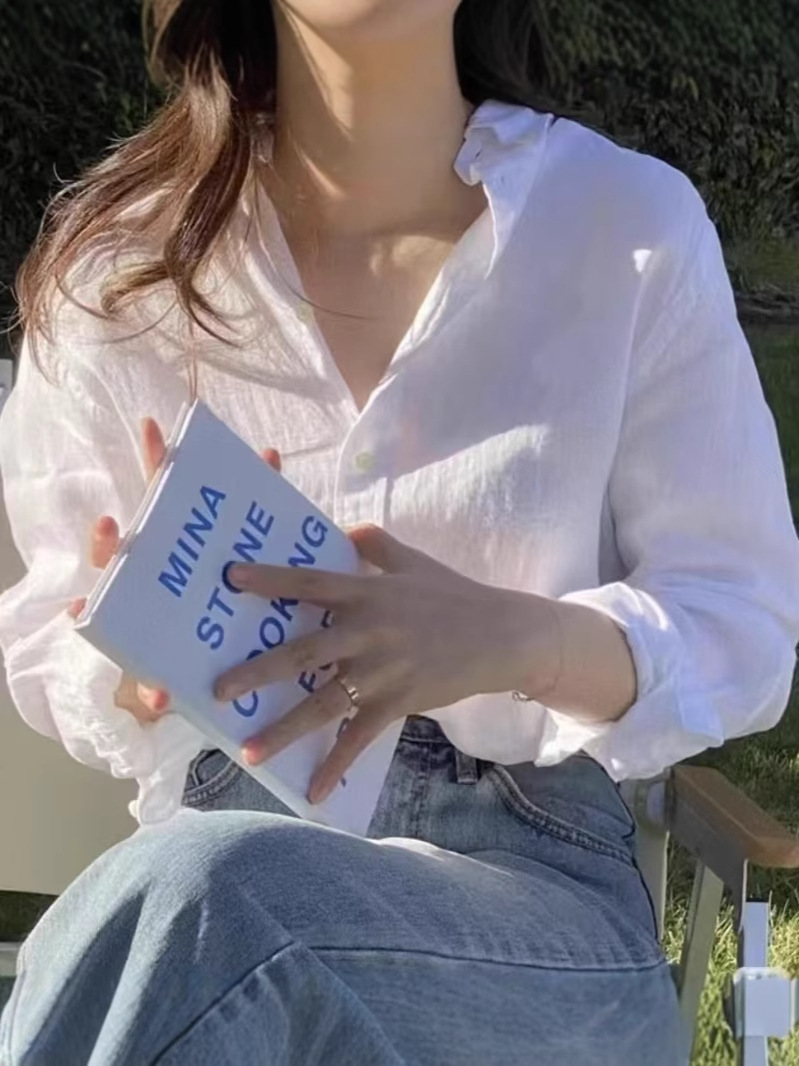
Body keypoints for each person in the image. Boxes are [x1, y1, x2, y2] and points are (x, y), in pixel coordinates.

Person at [1, 0, 798, 1062]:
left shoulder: (624, 227)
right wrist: (128, 661)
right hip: (215, 880)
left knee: (213, 903)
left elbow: (743, 625)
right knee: (210, 906)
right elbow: (47, 623)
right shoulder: (120, 272)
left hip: (532, 909)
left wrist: (515, 639)